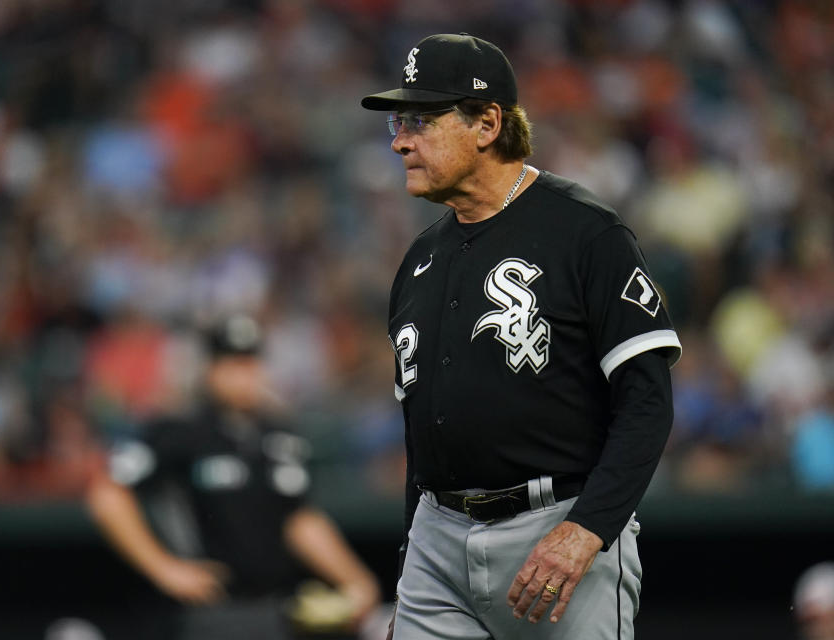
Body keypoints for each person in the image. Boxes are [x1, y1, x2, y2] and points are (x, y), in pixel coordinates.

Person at [361, 33, 682, 639]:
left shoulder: (585, 233)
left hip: (558, 525)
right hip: (438, 539)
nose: (401, 140)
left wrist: (589, 528)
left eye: (422, 120)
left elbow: (646, 400)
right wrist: (411, 562)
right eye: (398, 122)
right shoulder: (419, 260)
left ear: (486, 124)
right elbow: (423, 432)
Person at [86, 314, 380, 639]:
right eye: (232, 363)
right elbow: (108, 494)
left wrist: (355, 579)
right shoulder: (181, 431)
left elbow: (298, 519)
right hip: (210, 610)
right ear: (210, 368)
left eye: (250, 362)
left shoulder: (280, 436)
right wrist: (163, 568)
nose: (244, 374)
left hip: (278, 605)